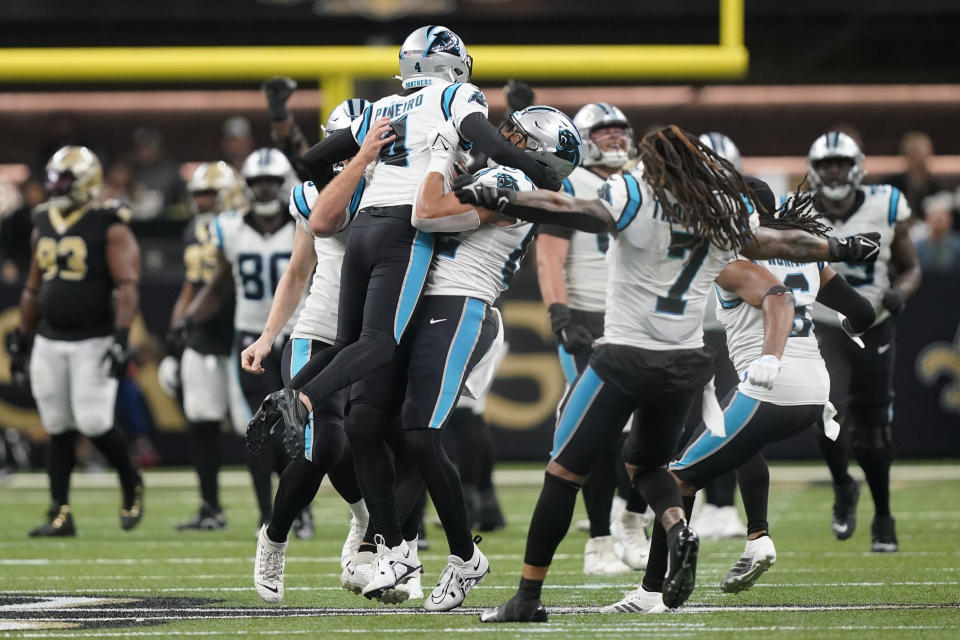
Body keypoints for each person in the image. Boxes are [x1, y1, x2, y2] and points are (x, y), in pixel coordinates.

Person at [453, 125, 884, 622]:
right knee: (651, 470)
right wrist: (842, 249)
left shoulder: (634, 193)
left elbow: (574, 210)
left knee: (562, 474)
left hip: (625, 357)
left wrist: (505, 197)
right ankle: (679, 529)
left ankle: (526, 598)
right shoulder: (724, 216)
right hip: (684, 366)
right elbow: (774, 245)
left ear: (656, 170)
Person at [247, 23, 562, 601]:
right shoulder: (462, 112)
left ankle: (409, 542)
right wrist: (504, 165)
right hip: (402, 234)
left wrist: (363, 171)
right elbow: (466, 157)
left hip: (425, 268)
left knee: (398, 404)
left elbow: (318, 160)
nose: (507, 135)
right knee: (372, 395)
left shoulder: (388, 106)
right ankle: (391, 544)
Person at [605, 253, 877, 613]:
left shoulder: (728, 258)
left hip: (768, 386)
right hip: (815, 391)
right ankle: (757, 537)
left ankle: (652, 591)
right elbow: (864, 313)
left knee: (674, 479)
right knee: (742, 444)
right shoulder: (806, 254)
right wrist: (849, 324)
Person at [243, 99, 384, 604]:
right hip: (318, 333)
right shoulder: (314, 194)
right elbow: (299, 270)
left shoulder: (395, 183)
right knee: (322, 445)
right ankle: (274, 538)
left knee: (370, 442)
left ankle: (374, 532)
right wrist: (266, 335)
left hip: (371, 337)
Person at [535, 102, 650, 575]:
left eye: (619, 130)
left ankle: (633, 518)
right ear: (582, 139)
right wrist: (560, 316)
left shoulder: (644, 180)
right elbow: (549, 257)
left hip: (638, 317)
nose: (615, 138)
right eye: (602, 133)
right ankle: (599, 541)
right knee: (599, 430)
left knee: (655, 425)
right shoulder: (571, 181)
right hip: (586, 314)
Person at [9, 146, 144, 536]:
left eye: (64, 180)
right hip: (51, 339)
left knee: (93, 421)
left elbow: (127, 286)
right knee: (57, 425)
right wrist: (22, 338)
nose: (55, 187)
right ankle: (60, 512)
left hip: (93, 338)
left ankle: (131, 479)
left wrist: (121, 337)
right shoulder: (42, 220)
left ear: (86, 182)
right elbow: (34, 289)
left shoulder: (109, 223)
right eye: (54, 179)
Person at [178, 147, 310, 534]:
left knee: (296, 427)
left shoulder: (303, 222)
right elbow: (218, 282)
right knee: (259, 428)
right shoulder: (228, 226)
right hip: (252, 335)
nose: (265, 190)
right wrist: (190, 318)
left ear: (285, 183)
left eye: (272, 182)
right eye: (257, 183)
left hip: (298, 333)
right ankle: (267, 516)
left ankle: (299, 512)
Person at [807, 132, 922, 552]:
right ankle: (843, 485)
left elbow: (910, 267)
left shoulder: (886, 203)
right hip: (824, 325)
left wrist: (901, 292)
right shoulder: (797, 209)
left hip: (874, 325)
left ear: (855, 166)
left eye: (840, 163)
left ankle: (884, 515)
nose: (834, 172)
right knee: (828, 410)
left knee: (874, 430)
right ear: (814, 169)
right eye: (826, 165)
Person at [160, 161, 241, 530]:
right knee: (202, 422)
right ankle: (210, 507)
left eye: (210, 193)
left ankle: (288, 511)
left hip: (245, 333)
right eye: (199, 195)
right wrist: (176, 338)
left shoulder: (246, 225)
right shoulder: (195, 230)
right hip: (205, 336)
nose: (204, 201)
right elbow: (193, 285)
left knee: (259, 425)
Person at [687, 132, 748, 541]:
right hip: (688, 323)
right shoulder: (678, 205)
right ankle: (704, 502)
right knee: (692, 416)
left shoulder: (743, 210)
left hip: (731, 324)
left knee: (727, 415)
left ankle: (724, 505)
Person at [884, 131, 942, 226]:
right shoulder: (891, 185)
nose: (922, 160)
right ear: (908, 156)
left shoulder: (935, 186)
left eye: (926, 155)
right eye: (917, 155)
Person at [914, 193, 960, 274]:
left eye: (942, 215)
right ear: (927, 218)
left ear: (950, 219)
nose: (938, 219)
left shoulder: (957, 245)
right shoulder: (918, 247)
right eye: (934, 215)